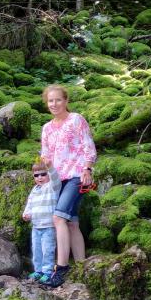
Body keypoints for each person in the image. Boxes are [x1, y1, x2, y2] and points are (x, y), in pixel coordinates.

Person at [39, 84, 97, 288]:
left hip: (76, 176)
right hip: (57, 180)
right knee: (71, 223)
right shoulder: (46, 128)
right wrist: (42, 166)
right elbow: (46, 155)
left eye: (58, 100)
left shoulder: (76, 120)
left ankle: (61, 267)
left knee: (58, 217)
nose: (54, 104)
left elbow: (88, 146)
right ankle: (82, 266)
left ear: (66, 101)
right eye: (50, 101)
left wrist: (88, 169)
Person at [22, 158, 61, 284]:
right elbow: (30, 204)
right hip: (36, 226)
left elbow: (55, 178)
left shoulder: (52, 187)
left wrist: (50, 167)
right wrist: (26, 213)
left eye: (43, 174)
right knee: (37, 250)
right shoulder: (35, 190)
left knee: (47, 250)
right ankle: (38, 270)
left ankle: (48, 271)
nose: (40, 177)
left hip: (49, 226)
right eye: (36, 175)